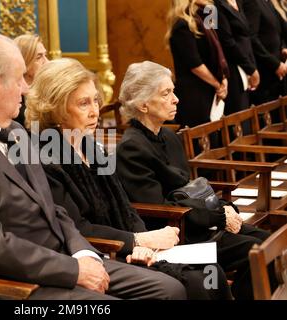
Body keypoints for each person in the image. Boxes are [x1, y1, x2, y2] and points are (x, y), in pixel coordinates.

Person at [0, 33, 187, 300]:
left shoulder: (15, 131)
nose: (26, 90)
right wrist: (74, 270)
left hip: (60, 260)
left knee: (170, 290)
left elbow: (54, 209)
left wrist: (84, 254)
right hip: (6, 284)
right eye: (20, 80)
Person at [25, 58, 232, 300]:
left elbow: (125, 206)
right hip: (97, 254)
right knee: (196, 283)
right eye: (83, 104)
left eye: (95, 100)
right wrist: (136, 241)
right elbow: (78, 227)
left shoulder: (92, 146)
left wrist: (143, 244)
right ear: (56, 108)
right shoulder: (45, 157)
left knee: (212, 272)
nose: (95, 111)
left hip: (126, 246)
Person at [115, 61, 273, 300]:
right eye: (166, 93)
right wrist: (218, 215)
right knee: (260, 253)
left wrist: (223, 209)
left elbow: (190, 191)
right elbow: (158, 210)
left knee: (271, 243)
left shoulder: (168, 136)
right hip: (178, 237)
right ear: (143, 104)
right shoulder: (131, 148)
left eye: (173, 91)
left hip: (200, 224)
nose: (176, 99)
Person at [166, 0, 229, 127]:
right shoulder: (181, 24)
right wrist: (218, 84)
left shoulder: (203, 17)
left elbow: (218, 48)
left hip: (210, 88)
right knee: (203, 141)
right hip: (195, 93)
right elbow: (194, 65)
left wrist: (223, 78)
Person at [215, 0, 259, 115]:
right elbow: (225, 42)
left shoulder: (238, 2)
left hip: (245, 66)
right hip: (231, 69)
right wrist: (251, 69)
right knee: (238, 119)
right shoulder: (213, 5)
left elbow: (246, 37)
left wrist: (252, 67)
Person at [242, 0, 287, 105]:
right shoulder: (252, 3)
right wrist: (275, 64)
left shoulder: (267, 2)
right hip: (265, 73)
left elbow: (279, 30)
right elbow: (251, 38)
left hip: (277, 72)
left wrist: (283, 47)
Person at [13, 34, 49, 126]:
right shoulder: (15, 100)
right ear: (24, 61)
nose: (47, 62)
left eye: (45, 55)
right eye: (39, 57)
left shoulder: (48, 88)